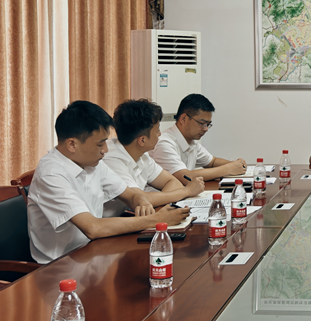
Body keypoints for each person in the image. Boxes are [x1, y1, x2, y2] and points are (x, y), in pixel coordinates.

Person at [27, 101, 189, 264]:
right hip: (61, 265)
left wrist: (141, 201)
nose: (105, 149)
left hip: (94, 251)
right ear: (72, 144)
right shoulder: (51, 173)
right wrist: (157, 219)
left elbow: (131, 195)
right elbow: (93, 228)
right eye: (100, 144)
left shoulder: (92, 163)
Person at [102, 99, 205, 217]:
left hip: (133, 218)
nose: (160, 134)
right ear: (142, 140)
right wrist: (187, 191)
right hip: (114, 223)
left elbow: (172, 182)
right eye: (157, 131)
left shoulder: (141, 154)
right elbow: (139, 199)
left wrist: (159, 200)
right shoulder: (111, 159)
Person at [150, 93, 247, 183]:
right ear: (183, 119)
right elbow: (185, 177)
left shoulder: (191, 141)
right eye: (202, 123)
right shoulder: (164, 143)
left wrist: (236, 165)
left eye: (208, 124)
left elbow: (212, 162)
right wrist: (228, 169)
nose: (206, 129)